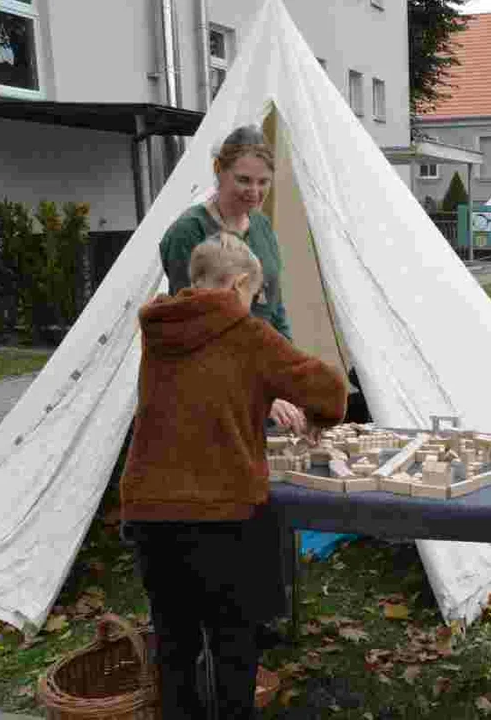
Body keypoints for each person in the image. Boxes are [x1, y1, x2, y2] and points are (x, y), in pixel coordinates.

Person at [121, 235, 348, 719]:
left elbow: (206, 390)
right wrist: (315, 415)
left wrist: (258, 394)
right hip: (220, 513)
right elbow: (328, 391)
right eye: (255, 294)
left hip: (150, 512)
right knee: (233, 645)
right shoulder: (246, 332)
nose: (254, 304)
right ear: (242, 284)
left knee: (174, 644)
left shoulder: (159, 329)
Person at [159, 125, 307, 434]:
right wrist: (257, 391)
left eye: (263, 182)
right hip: (214, 388)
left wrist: (290, 376)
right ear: (219, 170)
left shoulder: (263, 226)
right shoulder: (189, 232)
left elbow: (275, 309)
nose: (254, 192)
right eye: (243, 180)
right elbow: (192, 329)